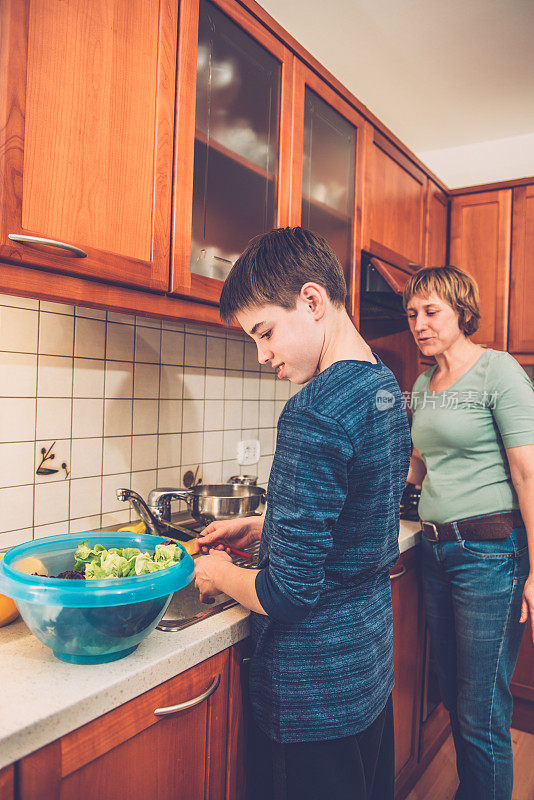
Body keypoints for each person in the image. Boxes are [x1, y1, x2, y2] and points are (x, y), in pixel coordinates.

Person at [193, 227, 411, 800]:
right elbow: (360, 519)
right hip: (365, 670)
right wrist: (268, 524)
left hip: (311, 692)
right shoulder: (383, 387)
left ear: (312, 301)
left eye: (264, 332)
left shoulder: (312, 411)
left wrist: (217, 573)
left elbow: (287, 593)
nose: (263, 355)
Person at [404, 265, 534, 800]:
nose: (419, 324)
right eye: (413, 314)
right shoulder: (421, 383)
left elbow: (528, 473)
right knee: (457, 698)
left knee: (481, 709)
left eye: (432, 312)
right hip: (437, 551)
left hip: (489, 554)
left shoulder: (497, 371)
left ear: (461, 311)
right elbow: (414, 468)